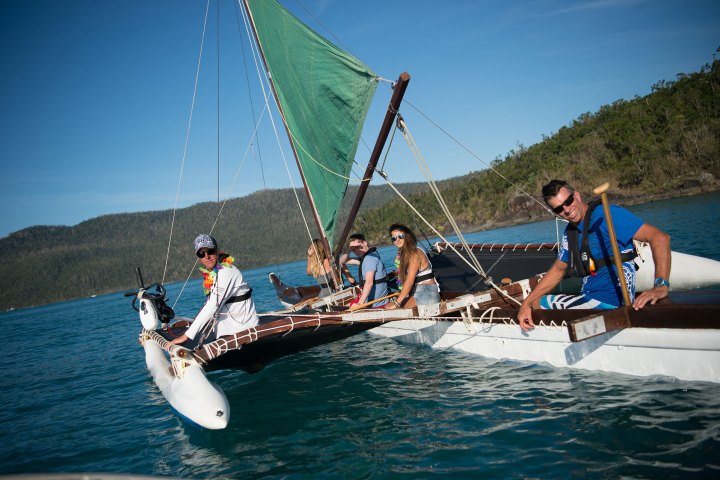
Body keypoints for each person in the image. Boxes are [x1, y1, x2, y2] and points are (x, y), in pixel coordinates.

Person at [518, 180, 671, 332]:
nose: (566, 209)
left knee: (536, 304)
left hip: (608, 304)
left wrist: (660, 285)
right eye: (558, 209)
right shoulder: (571, 232)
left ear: (576, 195)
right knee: (532, 302)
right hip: (589, 296)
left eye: (568, 201)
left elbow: (659, 237)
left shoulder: (607, 215)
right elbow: (559, 269)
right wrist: (526, 302)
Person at [168, 234, 259, 346]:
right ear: (199, 257)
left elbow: (212, 305)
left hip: (242, 332)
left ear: (216, 251)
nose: (207, 256)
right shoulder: (215, 273)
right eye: (201, 254)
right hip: (228, 331)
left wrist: (186, 335)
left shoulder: (226, 271)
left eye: (210, 251)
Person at [385, 224, 440, 309]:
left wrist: (397, 303)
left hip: (426, 291)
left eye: (400, 236)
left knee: (392, 308)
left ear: (407, 236)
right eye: (394, 238)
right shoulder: (404, 255)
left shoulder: (414, 253)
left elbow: (410, 281)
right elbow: (403, 278)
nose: (397, 240)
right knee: (387, 306)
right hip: (418, 291)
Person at [347, 233, 390, 311]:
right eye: (353, 249)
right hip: (376, 301)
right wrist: (349, 248)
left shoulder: (369, 259)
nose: (356, 251)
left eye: (358, 247)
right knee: (348, 305)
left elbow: (369, 282)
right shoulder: (370, 256)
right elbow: (343, 260)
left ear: (365, 243)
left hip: (375, 305)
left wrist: (360, 304)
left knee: (348, 307)